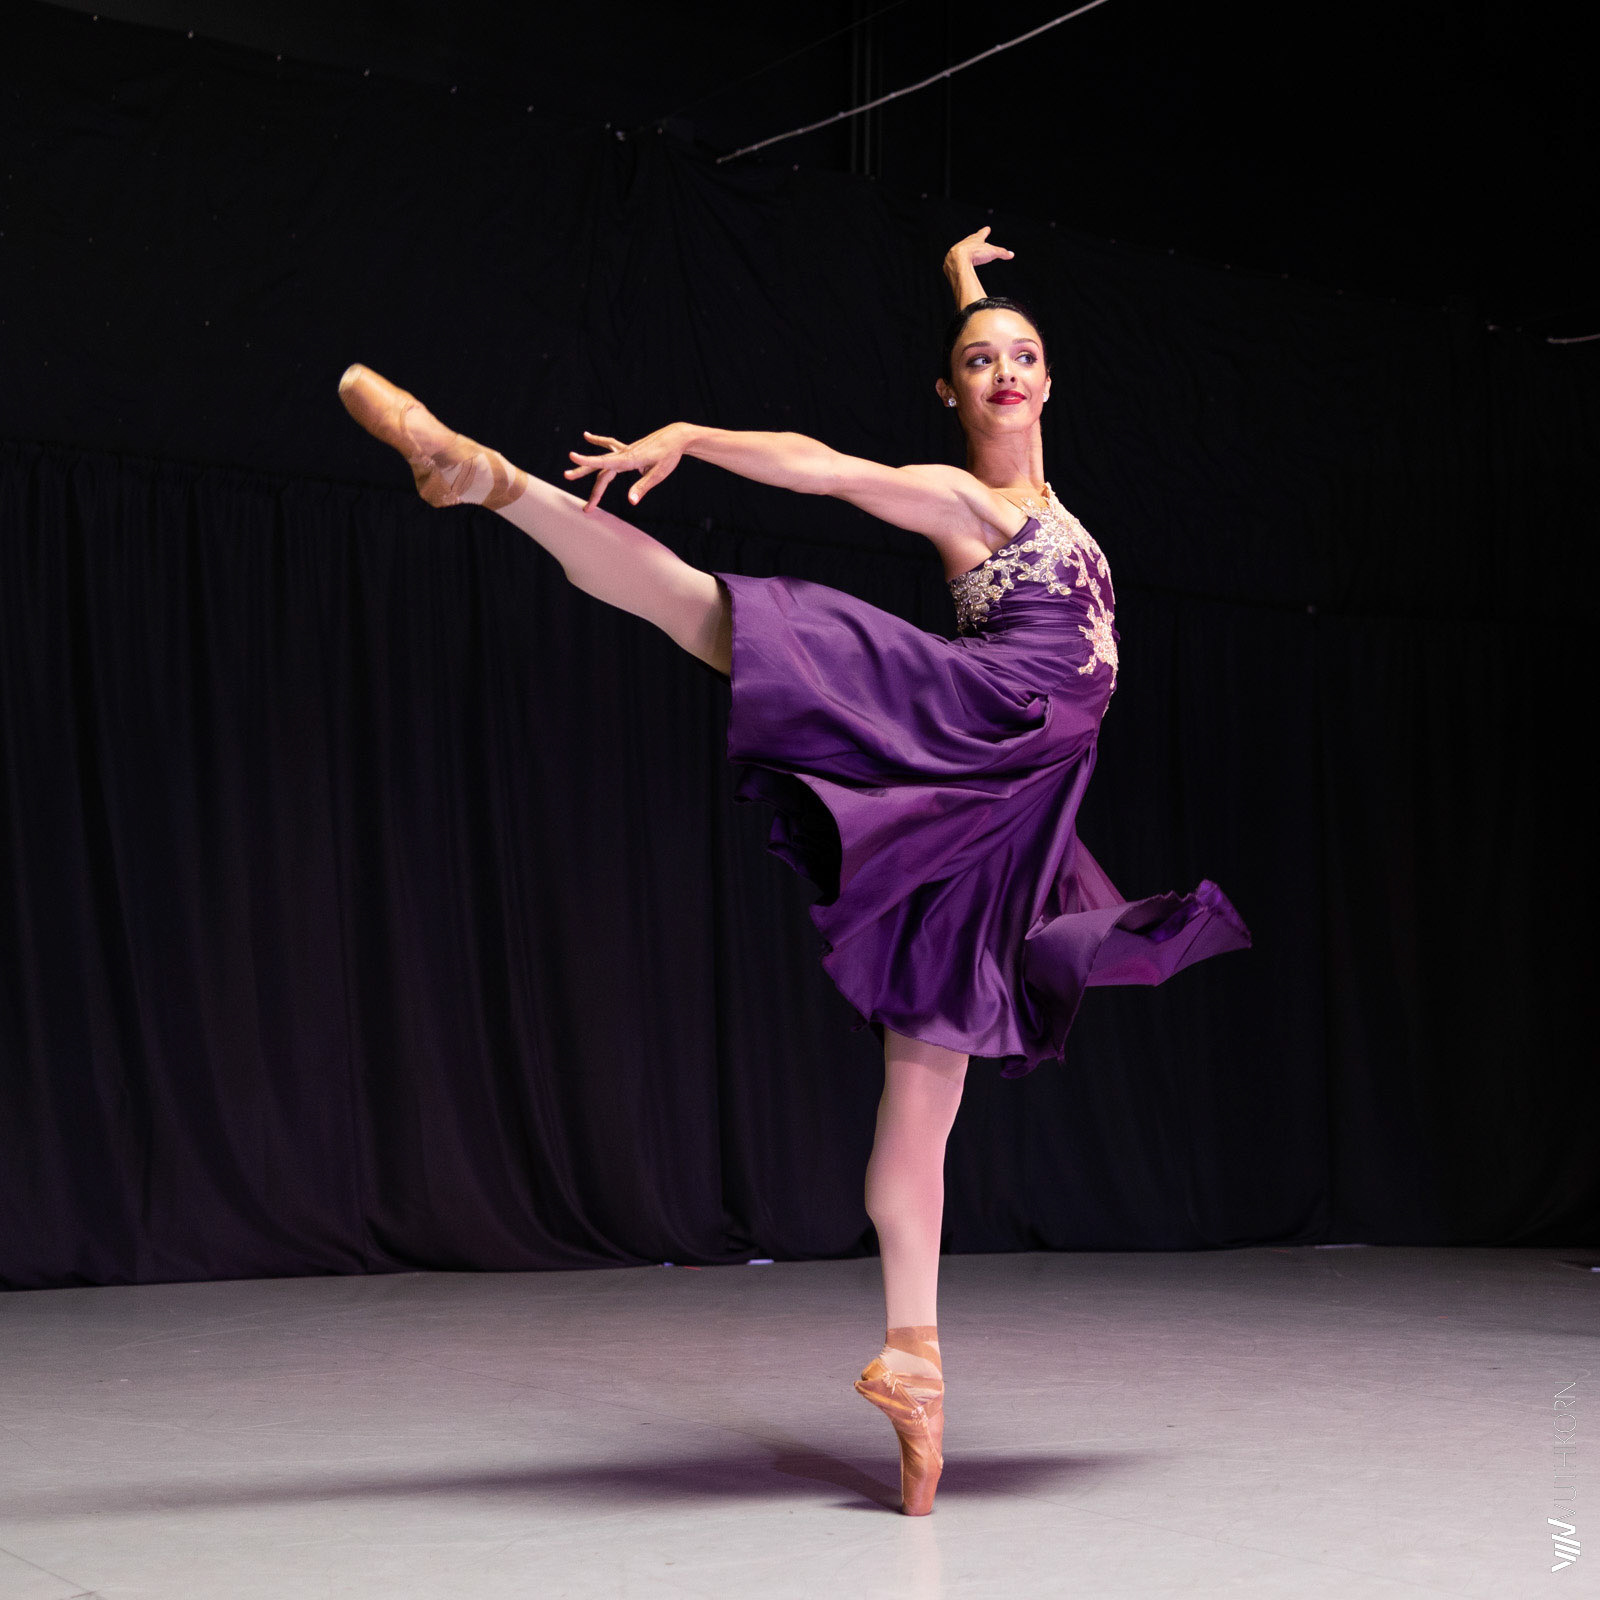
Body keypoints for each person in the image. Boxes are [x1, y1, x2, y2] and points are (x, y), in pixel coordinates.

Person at [337, 225, 1250, 1517]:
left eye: (1021, 355)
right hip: (975, 719)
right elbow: (827, 470)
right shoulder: (964, 501)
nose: (1003, 370)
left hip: (1012, 803)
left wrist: (963, 285)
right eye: (979, 361)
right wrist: (695, 436)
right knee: (718, 616)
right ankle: (489, 481)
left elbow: (978, 341)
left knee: (928, 1083)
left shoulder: (1049, 499)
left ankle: (914, 1363)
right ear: (950, 394)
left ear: (1050, 378)